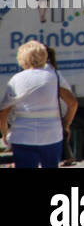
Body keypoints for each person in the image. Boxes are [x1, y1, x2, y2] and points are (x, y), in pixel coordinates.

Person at [0, 41, 79, 169]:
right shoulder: (54, 77)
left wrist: (4, 133)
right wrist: (66, 123)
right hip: (52, 134)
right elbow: (73, 103)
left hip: (22, 136)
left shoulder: (15, 80)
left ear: (22, 58)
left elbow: (3, 112)